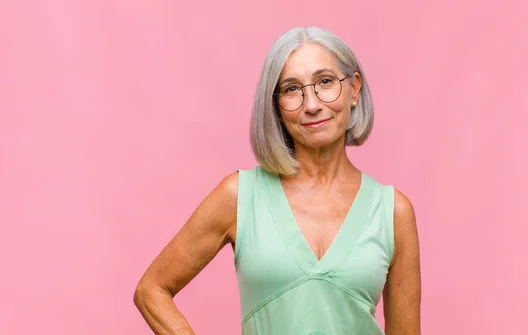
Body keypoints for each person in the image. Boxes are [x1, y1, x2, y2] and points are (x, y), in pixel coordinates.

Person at [134, 26, 421, 335]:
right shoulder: (239, 196)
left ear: (354, 89)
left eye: (325, 82)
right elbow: (152, 290)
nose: (311, 104)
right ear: (276, 107)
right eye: (291, 89)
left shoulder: (393, 212)